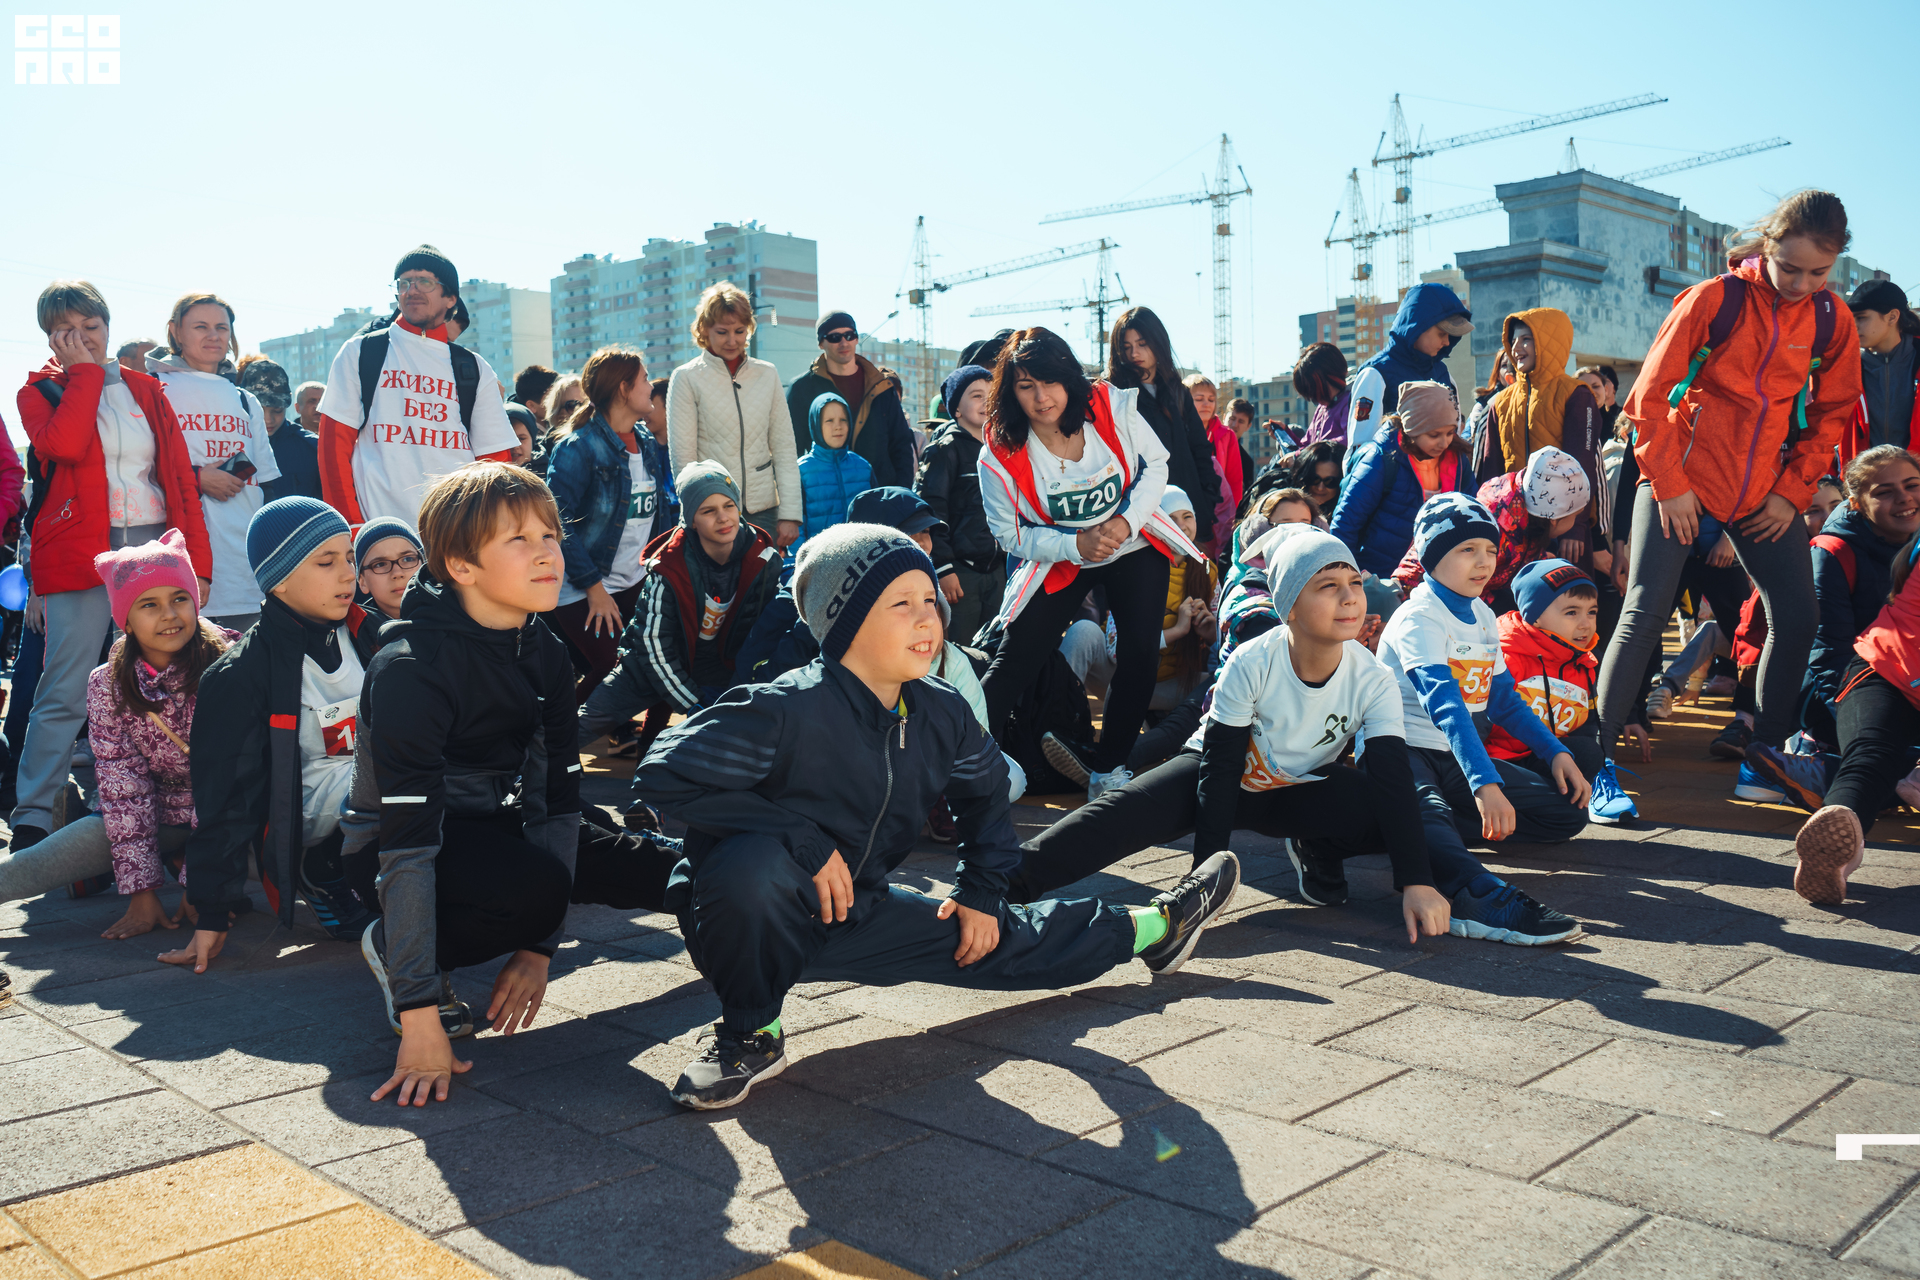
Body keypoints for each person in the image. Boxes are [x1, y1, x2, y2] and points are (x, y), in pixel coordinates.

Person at [632, 521, 1242, 1109]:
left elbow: (986, 795)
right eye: (901, 604)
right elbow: (661, 770)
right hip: (746, 920)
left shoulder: (940, 710)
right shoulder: (787, 708)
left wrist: (980, 889)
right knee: (754, 864)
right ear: (843, 621)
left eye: (930, 599)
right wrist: (799, 838)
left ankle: (1157, 927)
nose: (929, 617)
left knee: (996, 938)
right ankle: (751, 1034)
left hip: (854, 910)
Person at [336, 465, 681, 1104]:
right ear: (461, 566)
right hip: (394, 846)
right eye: (518, 539)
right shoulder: (410, 669)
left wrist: (539, 947)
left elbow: (558, 803)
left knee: (674, 872)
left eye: (550, 535)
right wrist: (418, 1012)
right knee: (538, 887)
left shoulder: (543, 648)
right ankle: (395, 948)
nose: (547, 554)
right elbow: (407, 845)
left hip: (497, 821)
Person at [1013, 527, 1466, 925]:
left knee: (1403, 811)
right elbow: (1221, 767)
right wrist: (1203, 882)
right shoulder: (1253, 660)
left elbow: (1391, 779)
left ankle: (1318, 847)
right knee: (1116, 817)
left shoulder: (1374, 679)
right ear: (1289, 605)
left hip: (1295, 791)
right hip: (1212, 776)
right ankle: (1002, 883)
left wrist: (1417, 881)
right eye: (1328, 586)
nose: (1349, 597)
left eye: (1354, 583)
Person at [1595, 190, 1863, 805]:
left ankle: (1762, 759)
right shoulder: (1714, 300)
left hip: (1762, 494)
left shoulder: (1832, 319)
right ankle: (1593, 762)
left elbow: (1833, 412)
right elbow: (1647, 399)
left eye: (1818, 273)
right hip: (1680, 480)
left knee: (1798, 616)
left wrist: (1791, 493)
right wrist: (1670, 487)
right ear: (1767, 246)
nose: (1801, 284)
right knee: (1645, 613)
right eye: (1789, 268)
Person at [12, 281, 210, 854]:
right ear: (49, 337)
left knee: (167, 680)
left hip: (153, 548)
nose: (81, 339)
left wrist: (197, 562)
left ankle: (163, 802)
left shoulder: (146, 388)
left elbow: (178, 478)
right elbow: (66, 447)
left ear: (108, 325)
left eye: (90, 328)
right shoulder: (38, 392)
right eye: (65, 331)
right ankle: (33, 814)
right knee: (66, 685)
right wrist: (83, 374)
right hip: (77, 553)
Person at [977, 328, 1207, 800]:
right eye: (1026, 386)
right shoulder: (998, 450)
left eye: (1050, 382)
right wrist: (1075, 546)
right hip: (1059, 555)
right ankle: (960, 764)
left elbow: (1156, 465)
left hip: (1133, 541)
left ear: (1069, 378)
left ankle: (1109, 769)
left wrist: (1126, 521)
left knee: (1140, 652)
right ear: (1010, 392)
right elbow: (1009, 534)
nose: (1041, 397)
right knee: (1015, 658)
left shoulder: (1109, 405)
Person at [1374, 494, 1588, 942]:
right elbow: (1446, 706)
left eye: (1490, 549)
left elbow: (1504, 700)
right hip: (1401, 752)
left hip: (1451, 755)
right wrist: (1484, 785)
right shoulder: (1418, 617)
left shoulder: (1483, 614)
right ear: (1431, 558)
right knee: (1430, 815)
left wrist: (1555, 752)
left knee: (1565, 816)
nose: (1484, 561)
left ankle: (1422, 828)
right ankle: (1475, 892)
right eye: (1467, 549)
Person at [0, 532, 231, 939]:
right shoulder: (107, 683)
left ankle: (168, 861)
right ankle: (122, 861)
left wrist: (201, 884)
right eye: (149, 604)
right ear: (125, 620)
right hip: (148, 812)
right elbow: (125, 790)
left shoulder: (229, 665)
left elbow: (229, 784)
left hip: (232, 819)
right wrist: (141, 892)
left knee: (279, 863)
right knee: (33, 866)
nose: (169, 615)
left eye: (180, 598)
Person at [1743, 445, 1920, 807]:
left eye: (1912, 485)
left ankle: (1822, 772)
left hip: (1910, 685)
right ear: (1856, 504)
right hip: (1843, 690)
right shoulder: (1832, 553)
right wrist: (1858, 729)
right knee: (1884, 748)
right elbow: (1827, 657)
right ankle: (1828, 763)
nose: (1904, 498)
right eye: (1884, 492)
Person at [578, 462, 781, 746]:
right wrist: (690, 700)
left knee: (726, 741)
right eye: (708, 511)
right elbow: (652, 644)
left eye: (729, 506)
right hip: (650, 665)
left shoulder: (764, 559)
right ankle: (534, 767)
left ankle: (654, 766)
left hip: (719, 669)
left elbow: (770, 632)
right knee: (584, 725)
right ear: (691, 521)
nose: (723, 517)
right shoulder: (669, 567)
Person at [315, 246, 518, 526]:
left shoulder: (475, 368)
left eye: (425, 282)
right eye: (404, 283)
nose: (412, 290)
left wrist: (489, 531)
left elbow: (495, 462)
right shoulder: (360, 352)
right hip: (382, 532)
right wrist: (352, 526)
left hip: (456, 533)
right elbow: (333, 446)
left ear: (450, 298)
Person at [1787, 528, 1920, 903]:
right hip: (1884, 668)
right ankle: (1834, 853)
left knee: (1871, 756)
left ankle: (1847, 834)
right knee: (1870, 755)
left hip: (1889, 666)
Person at [545, 347, 677, 702]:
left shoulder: (645, 441)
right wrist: (595, 589)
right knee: (612, 669)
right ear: (623, 389)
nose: (651, 387)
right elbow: (557, 524)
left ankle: (644, 735)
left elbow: (660, 514)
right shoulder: (579, 447)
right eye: (645, 379)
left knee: (660, 661)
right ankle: (558, 731)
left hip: (635, 579)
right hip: (584, 586)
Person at [149, 293, 282, 632]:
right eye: (201, 327)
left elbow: (266, 484)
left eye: (221, 328)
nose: (213, 336)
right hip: (183, 562)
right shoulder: (153, 389)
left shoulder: (245, 399)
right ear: (175, 332)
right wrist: (197, 478)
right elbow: (137, 470)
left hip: (245, 567)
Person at [666, 283, 800, 549]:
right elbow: (683, 461)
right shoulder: (686, 378)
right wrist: (697, 511)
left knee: (764, 576)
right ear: (704, 329)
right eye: (722, 332)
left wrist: (790, 514)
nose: (732, 340)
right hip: (711, 513)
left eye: (739, 331)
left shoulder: (767, 374)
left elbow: (784, 448)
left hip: (764, 510)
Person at [1390, 446, 1592, 614]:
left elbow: (1520, 554)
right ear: (1554, 519)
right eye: (1574, 516)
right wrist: (1401, 593)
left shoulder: (1524, 506)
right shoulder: (1493, 530)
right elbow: (1436, 561)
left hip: (1478, 595)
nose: (1575, 522)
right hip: (1444, 602)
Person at [1475, 309, 1603, 566]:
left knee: (1567, 591)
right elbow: (1491, 470)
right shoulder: (1500, 402)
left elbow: (1583, 463)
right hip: (1512, 527)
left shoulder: (1576, 394)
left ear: (1549, 342)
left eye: (1526, 339)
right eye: (1513, 340)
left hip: (1563, 528)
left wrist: (1576, 527)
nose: (1516, 348)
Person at [1104, 307, 1222, 550]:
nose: (1134, 353)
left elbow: (1200, 450)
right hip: (1139, 515)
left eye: (1142, 344)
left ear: (1158, 342)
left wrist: (1206, 501)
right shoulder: (1114, 394)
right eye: (1126, 347)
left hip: (1187, 509)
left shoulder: (1178, 391)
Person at [1330, 381, 1475, 580]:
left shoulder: (1457, 460)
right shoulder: (1380, 458)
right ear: (1411, 429)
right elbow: (1345, 524)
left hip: (1438, 576)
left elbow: (1472, 513)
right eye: (1434, 435)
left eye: (1450, 433)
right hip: (1380, 577)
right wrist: (1348, 579)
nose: (1444, 442)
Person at [1489, 559, 1603, 792]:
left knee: (1589, 752)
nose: (1585, 624)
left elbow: (1587, 727)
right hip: (1495, 761)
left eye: (1592, 612)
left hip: (1545, 757)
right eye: (1572, 612)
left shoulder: (1584, 662)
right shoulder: (1504, 658)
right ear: (1535, 616)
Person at [916, 364, 1005, 645]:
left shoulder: (1002, 448)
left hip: (999, 568)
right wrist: (943, 567)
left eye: (991, 395)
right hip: (960, 573)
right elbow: (930, 512)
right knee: (960, 647)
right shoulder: (944, 450)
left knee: (994, 648)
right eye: (976, 396)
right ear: (956, 409)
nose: (986, 402)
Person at [783, 311, 915, 489]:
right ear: (821, 343)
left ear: (856, 339)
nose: (844, 342)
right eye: (835, 337)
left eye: (849, 335)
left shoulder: (882, 387)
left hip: (880, 494)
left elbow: (901, 445)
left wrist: (901, 491)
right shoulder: (802, 388)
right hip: (826, 494)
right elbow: (791, 448)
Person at [1347, 283, 1473, 452]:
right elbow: (1360, 447)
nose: (1447, 342)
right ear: (1418, 326)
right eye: (1442, 333)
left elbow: (1454, 438)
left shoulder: (1444, 375)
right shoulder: (1375, 374)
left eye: (1450, 335)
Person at [1844, 280, 1919, 458]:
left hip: (1914, 472)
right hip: (1863, 472)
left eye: (1861, 317)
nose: (1854, 326)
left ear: (1892, 317)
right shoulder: (1843, 367)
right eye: (1851, 319)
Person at [241, 356, 321, 503]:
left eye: (277, 410)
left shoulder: (313, 448)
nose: (268, 419)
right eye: (259, 412)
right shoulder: (230, 445)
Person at [795, 393, 872, 544]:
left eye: (843, 419)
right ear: (816, 424)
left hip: (862, 553)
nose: (838, 426)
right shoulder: (801, 470)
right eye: (829, 420)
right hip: (819, 555)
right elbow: (796, 527)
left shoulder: (863, 467)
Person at [348, 516, 422, 664]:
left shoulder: (456, 614)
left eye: (408, 559)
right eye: (380, 564)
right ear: (362, 581)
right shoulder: (351, 637)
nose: (397, 573)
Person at [1293, 342, 1352, 448]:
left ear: (1331, 376)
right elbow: (1306, 445)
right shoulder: (1321, 409)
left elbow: (1350, 440)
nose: (1315, 399)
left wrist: (1317, 449)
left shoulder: (1349, 402)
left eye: (1315, 391)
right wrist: (1286, 433)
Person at [1469, 353, 1516, 446]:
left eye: (1513, 363)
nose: (1509, 369)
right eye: (1504, 365)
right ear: (1497, 374)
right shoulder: (1484, 406)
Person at [513, 365, 560, 434]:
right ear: (531, 406)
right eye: (552, 398)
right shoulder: (523, 434)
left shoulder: (555, 423)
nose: (559, 402)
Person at [505, 404, 546, 477]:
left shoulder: (549, 472)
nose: (515, 446)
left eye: (521, 438)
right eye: (508, 439)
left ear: (532, 439)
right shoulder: (490, 474)